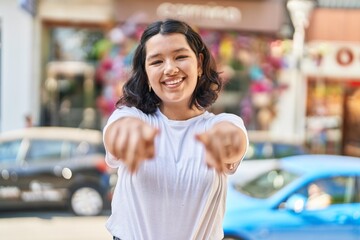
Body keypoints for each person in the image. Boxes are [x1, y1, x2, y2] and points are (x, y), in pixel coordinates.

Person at [103, 19, 249, 240]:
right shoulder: (130, 117)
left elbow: (233, 139)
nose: (170, 69)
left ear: (199, 64)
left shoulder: (223, 124)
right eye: (157, 61)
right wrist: (127, 135)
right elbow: (117, 133)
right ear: (146, 73)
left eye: (180, 56)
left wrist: (227, 141)